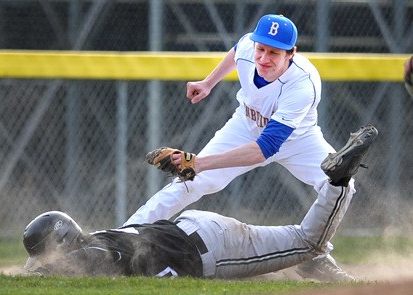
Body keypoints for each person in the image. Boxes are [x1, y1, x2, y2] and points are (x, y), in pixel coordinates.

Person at [123, 14, 357, 282]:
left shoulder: (303, 83)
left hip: (298, 141)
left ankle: (314, 257)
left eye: (274, 53)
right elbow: (238, 51)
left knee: (340, 184)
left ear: (291, 53)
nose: (264, 58)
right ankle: (125, 237)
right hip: (245, 126)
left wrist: (198, 162)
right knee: (189, 182)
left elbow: (265, 148)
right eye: (261, 49)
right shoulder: (249, 46)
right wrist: (208, 83)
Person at [23, 125, 378, 280]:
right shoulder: (104, 238)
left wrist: (36, 273)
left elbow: (84, 260)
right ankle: (309, 265)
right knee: (262, 262)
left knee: (306, 240)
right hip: (196, 233)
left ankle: (336, 181)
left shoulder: (97, 250)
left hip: (210, 249)